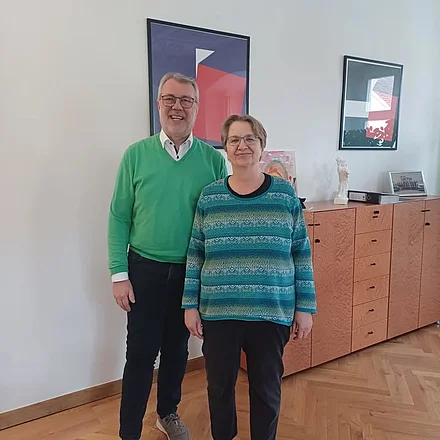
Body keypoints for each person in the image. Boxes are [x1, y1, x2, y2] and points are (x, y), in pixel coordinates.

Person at [108, 72, 227, 440]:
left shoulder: (213, 161)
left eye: (186, 100)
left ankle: (167, 414)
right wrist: (119, 274)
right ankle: (129, 431)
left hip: (192, 273)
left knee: (178, 351)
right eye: (170, 99)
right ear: (158, 104)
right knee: (140, 354)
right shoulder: (135, 155)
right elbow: (119, 217)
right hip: (143, 269)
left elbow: (219, 222)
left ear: (196, 107)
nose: (177, 107)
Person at [182, 114, 317, 440]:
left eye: (250, 138)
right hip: (219, 312)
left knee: (266, 390)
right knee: (219, 388)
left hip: (271, 311)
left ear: (262, 146)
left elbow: (301, 252)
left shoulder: (284, 196)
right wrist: (189, 305)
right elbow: (195, 253)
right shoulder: (210, 197)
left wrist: (305, 307)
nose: (242, 145)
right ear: (226, 149)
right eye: (234, 140)